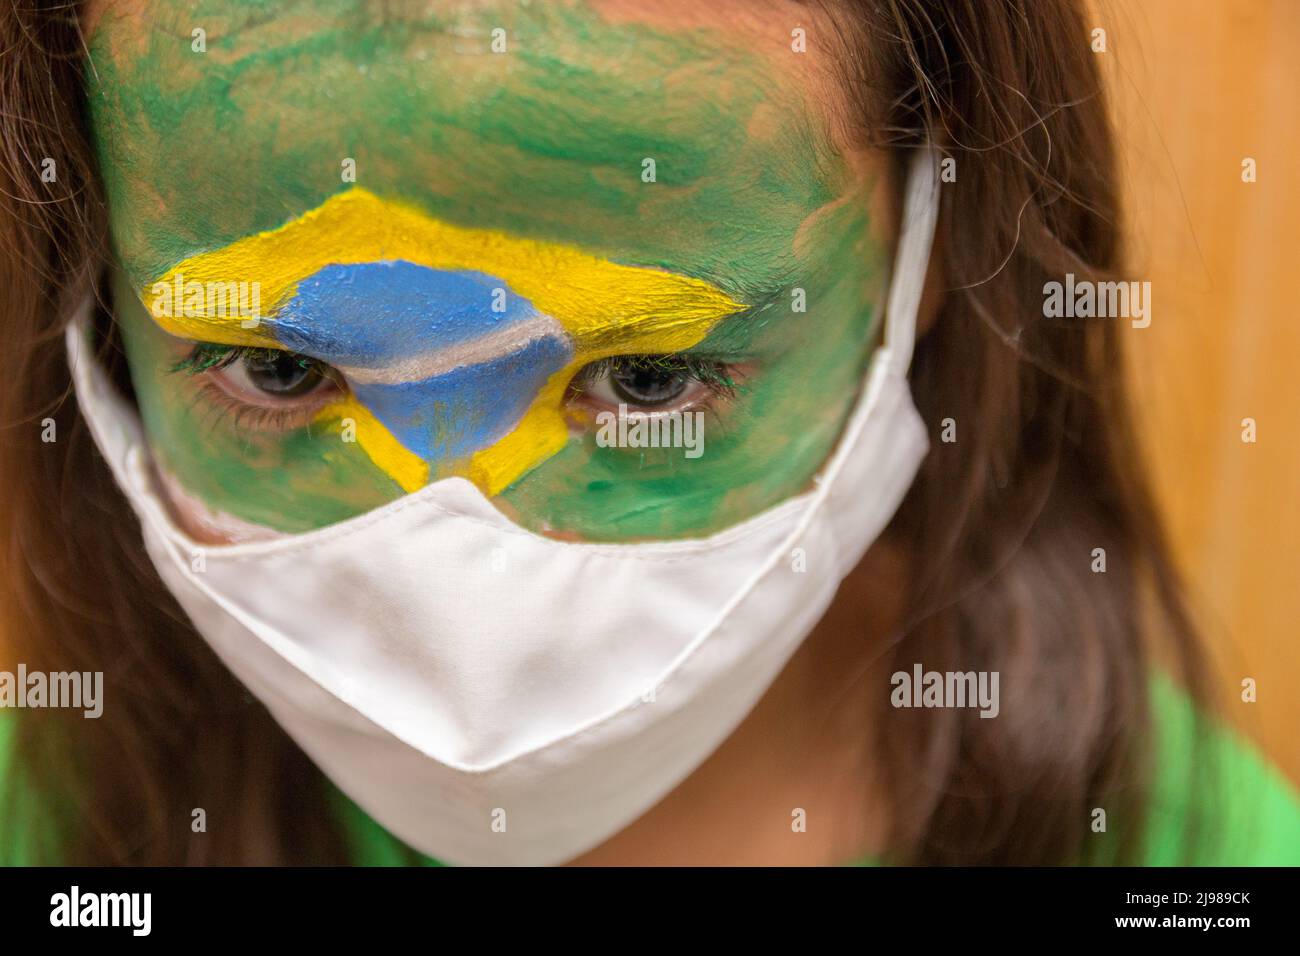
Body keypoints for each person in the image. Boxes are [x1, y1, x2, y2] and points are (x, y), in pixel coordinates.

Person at [1, 0, 1296, 866]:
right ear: (94, 294)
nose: (470, 618)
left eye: (651, 381)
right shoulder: (41, 816)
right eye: (279, 371)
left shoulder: (1181, 849)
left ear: (937, 244)